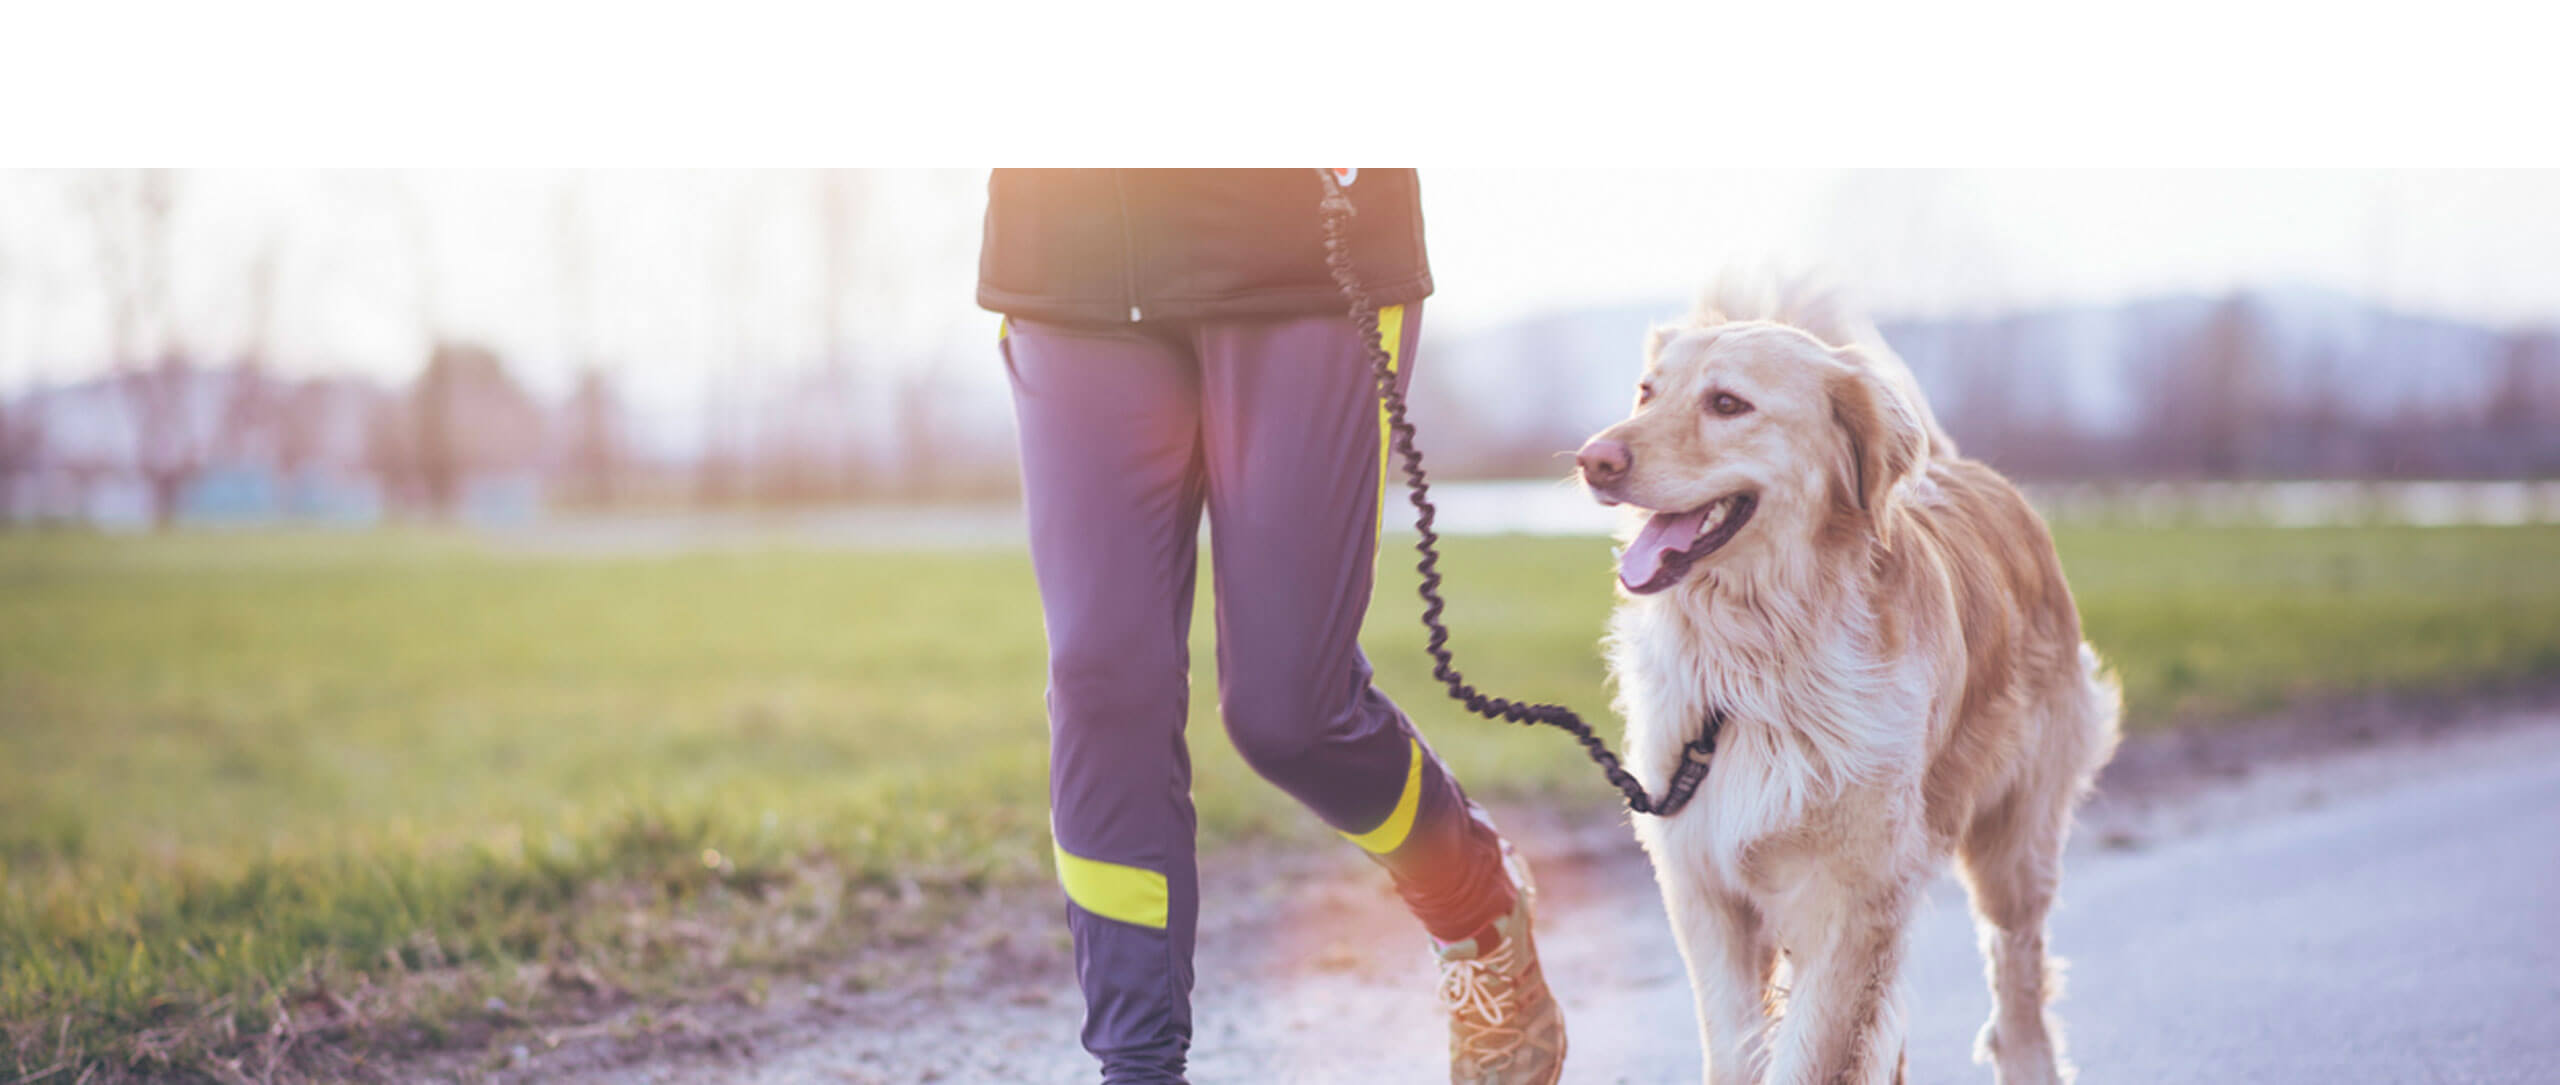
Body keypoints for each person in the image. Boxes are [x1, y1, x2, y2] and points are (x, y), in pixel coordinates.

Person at [979, 169, 1566, 1085]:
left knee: (1289, 712)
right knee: (1101, 680)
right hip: (1071, 253)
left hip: (1297, 255)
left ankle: (1474, 903)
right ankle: (1137, 1066)